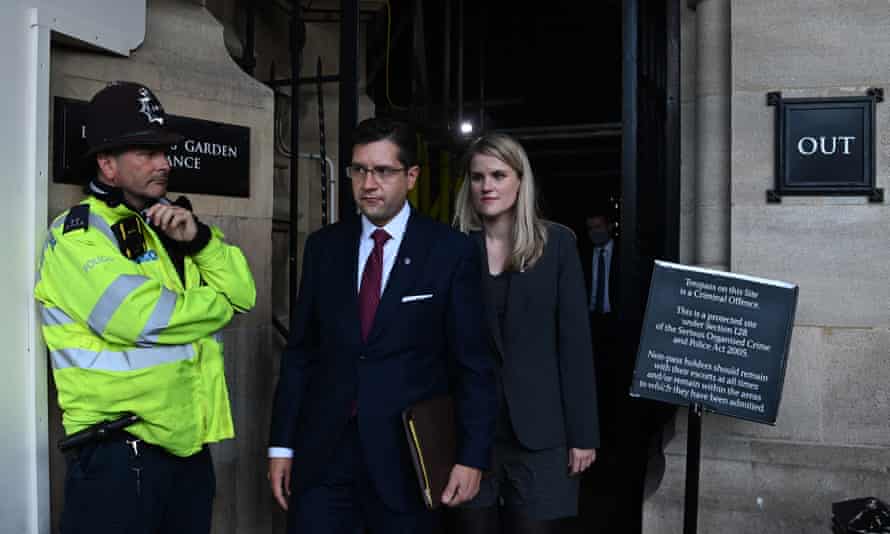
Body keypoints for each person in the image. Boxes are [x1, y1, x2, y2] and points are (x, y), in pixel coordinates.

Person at [34, 81, 257, 533]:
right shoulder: (78, 235)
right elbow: (139, 318)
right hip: (121, 454)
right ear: (106, 164)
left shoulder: (167, 223)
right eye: (147, 152)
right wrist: (220, 304)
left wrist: (199, 239)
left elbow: (245, 293)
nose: (165, 163)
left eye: (165, 151)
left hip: (187, 450)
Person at [267, 117, 497, 533]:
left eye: (383, 171)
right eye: (359, 170)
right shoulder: (324, 248)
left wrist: (472, 456)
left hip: (406, 461)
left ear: (411, 177)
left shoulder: (450, 252)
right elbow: (301, 354)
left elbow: (474, 365)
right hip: (324, 456)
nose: (368, 183)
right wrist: (281, 446)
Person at [452, 132, 599, 533]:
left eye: (498, 175)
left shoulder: (557, 246)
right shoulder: (451, 248)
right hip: (468, 435)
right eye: (478, 176)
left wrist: (583, 433)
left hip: (540, 433)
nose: (487, 186)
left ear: (520, 180)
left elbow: (574, 345)